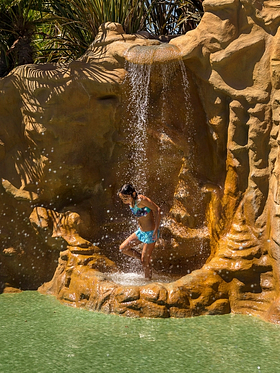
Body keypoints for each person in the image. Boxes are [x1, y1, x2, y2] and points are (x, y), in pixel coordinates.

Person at [118, 183, 161, 279]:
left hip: (150, 233)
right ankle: (143, 258)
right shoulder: (131, 202)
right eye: (122, 198)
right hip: (141, 232)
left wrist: (156, 229)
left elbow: (157, 209)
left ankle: (148, 282)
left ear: (133, 194)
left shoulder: (141, 200)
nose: (124, 200)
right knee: (123, 248)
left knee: (144, 261)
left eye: (126, 197)